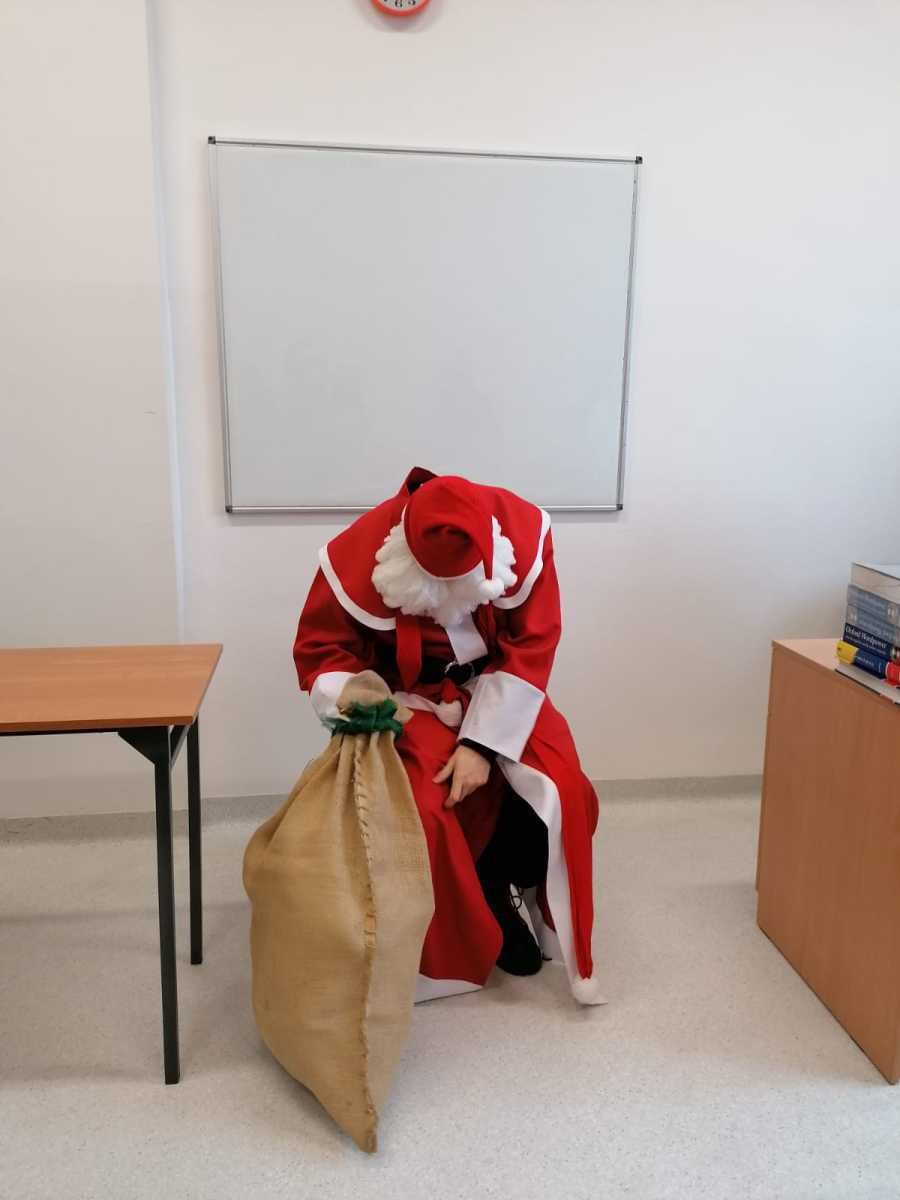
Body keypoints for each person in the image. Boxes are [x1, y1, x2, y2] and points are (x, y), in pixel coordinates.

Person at [293, 466, 604, 1005]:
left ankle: (503, 879)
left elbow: (532, 644)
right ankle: (463, 921)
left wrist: (482, 744)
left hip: (501, 685)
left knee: (563, 790)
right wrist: (370, 705)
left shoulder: (523, 534)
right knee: (427, 804)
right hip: (409, 700)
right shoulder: (354, 554)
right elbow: (323, 651)